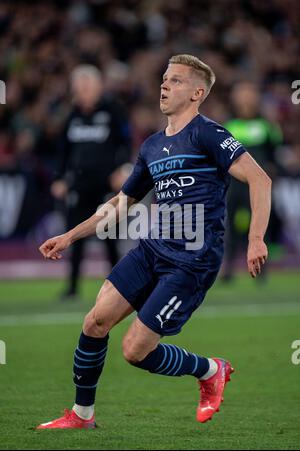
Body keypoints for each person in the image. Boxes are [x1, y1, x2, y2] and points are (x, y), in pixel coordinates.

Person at [37, 54, 271, 429]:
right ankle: (82, 415)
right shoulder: (150, 146)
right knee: (95, 321)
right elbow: (119, 203)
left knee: (135, 351)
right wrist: (69, 235)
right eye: (164, 78)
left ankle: (211, 370)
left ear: (197, 93)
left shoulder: (209, 134)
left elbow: (261, 180)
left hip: (191, 261)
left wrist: (256, 239)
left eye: (176, 81)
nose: (164, 85)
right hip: (151, 249)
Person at [51, 64, 131, 299]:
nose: (83, 91)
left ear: (98, 87)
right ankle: (73, 286)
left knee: (110, 237)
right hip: (79, 184)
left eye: (87, 86)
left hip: (107, 184)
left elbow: (125, 142)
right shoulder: (72, 115)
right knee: (75, 235)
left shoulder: (113, 110)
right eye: (79, 87)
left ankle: (118, 286)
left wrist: (122, 169)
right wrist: (60, 179)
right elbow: (63, 151)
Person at [222, 81, 282, 281]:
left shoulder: (266, 126)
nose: (246, 98)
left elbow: (274, 155)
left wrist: (273, 171)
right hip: (234, 186)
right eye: (242, 94)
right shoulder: (228, 126)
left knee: (260, 225)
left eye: (249, 93)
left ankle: (262, 268)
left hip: (258, 186)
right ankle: (228, 269)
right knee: (229, 226)